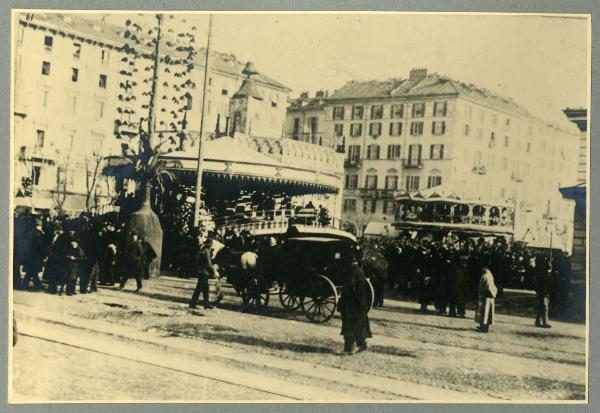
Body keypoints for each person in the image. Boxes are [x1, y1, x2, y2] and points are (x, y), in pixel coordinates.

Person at [338, 249, 372, 354]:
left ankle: (349, 348)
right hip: (360, 303)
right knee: (358, 325)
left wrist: (342, 301)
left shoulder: (351, 272)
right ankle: (362, 344)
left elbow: (350, 288)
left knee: (349, 325)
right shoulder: (359, 271)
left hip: (351, 304)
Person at [189, 237, 216, 309]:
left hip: (200, 271)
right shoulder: (207, 251)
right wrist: (214, 270)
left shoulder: (202, 250)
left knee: (204, 288)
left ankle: (203, 303)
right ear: (210, 244)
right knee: (201, 289)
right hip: (204, 272)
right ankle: (195, 303)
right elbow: (208, 263)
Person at [21, 218, 47, 291]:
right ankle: (36, 286)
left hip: (31, 256)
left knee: (31, 272)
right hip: (35, 257)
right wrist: (43, 254)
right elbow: (38, 245)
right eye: (41, 224)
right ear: (39, 225)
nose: (42, 226)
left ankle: (26, 285)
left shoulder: (34, 232)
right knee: (32, 271)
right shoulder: (37, 233)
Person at [475, 267, 497, 333]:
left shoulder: (485, 276)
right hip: (489, 297)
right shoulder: (490, 275)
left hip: (485, 297)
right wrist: (494, 294)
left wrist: (491, 294)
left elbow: (488, 288)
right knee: (487, 313)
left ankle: (483, 328)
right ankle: (484, 327)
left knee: (484, 313)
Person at [535, 254, 553, 328]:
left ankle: (538, 321)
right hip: (543, 290)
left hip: (542, 290)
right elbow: (545, 281)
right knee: (545, 306)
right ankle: (545, 322)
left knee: (542, 305)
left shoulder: (540, 270)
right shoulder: (542, 271)